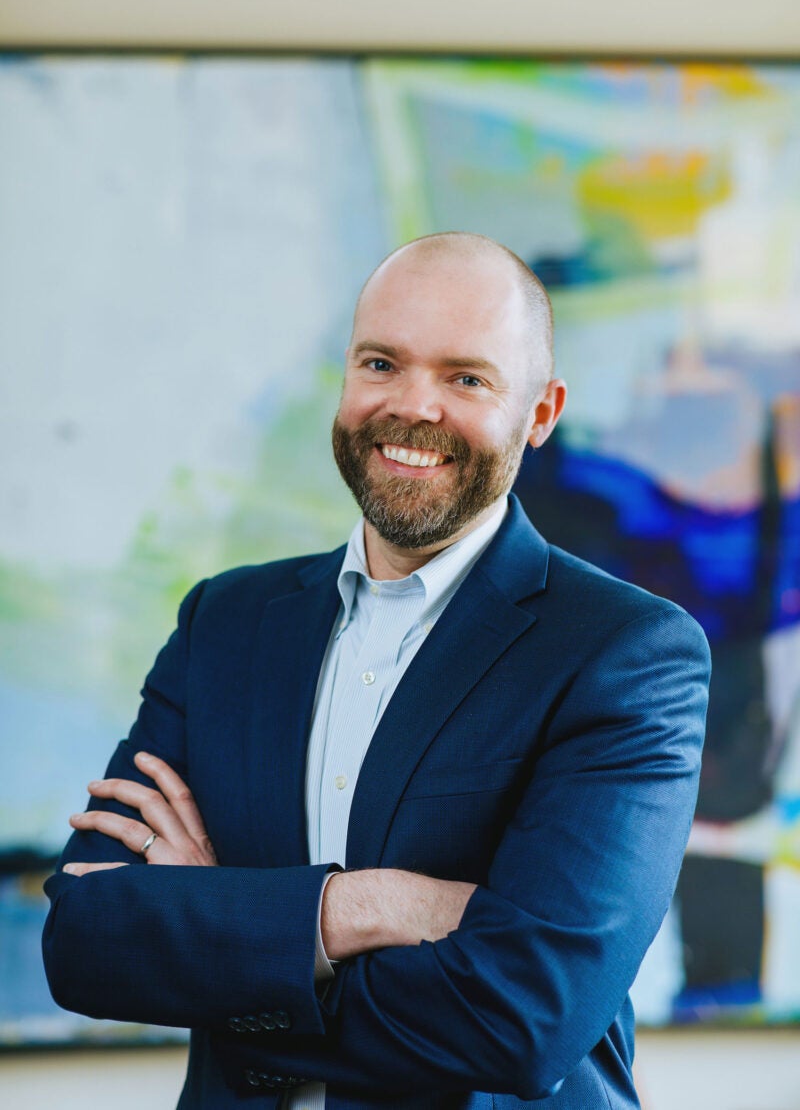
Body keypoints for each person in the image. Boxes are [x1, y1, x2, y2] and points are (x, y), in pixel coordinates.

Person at [42, 232, 710, 1109]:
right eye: (382, 362)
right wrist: (372, 907)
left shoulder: (625, 653)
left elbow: (522, 1019)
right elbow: (87, 940)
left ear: (541, 412)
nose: (413, 406)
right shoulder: (226, 623)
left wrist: (226, 924)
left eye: (466, 378)